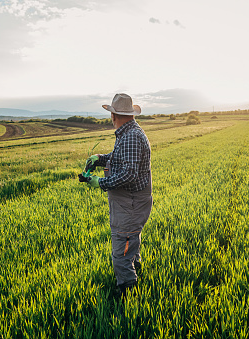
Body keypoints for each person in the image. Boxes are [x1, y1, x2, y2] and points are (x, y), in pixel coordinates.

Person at [79, 93, 153, 298]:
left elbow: (129, 174)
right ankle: (135, 269)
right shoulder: (129, 133)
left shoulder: (130, 136)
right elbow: (121, 158)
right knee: (130, 240)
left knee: (121, 247)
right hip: (131, 202)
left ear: (114, 115)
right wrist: (101, 158)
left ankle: (128, 293)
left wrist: (99, 182)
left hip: (130, 203)